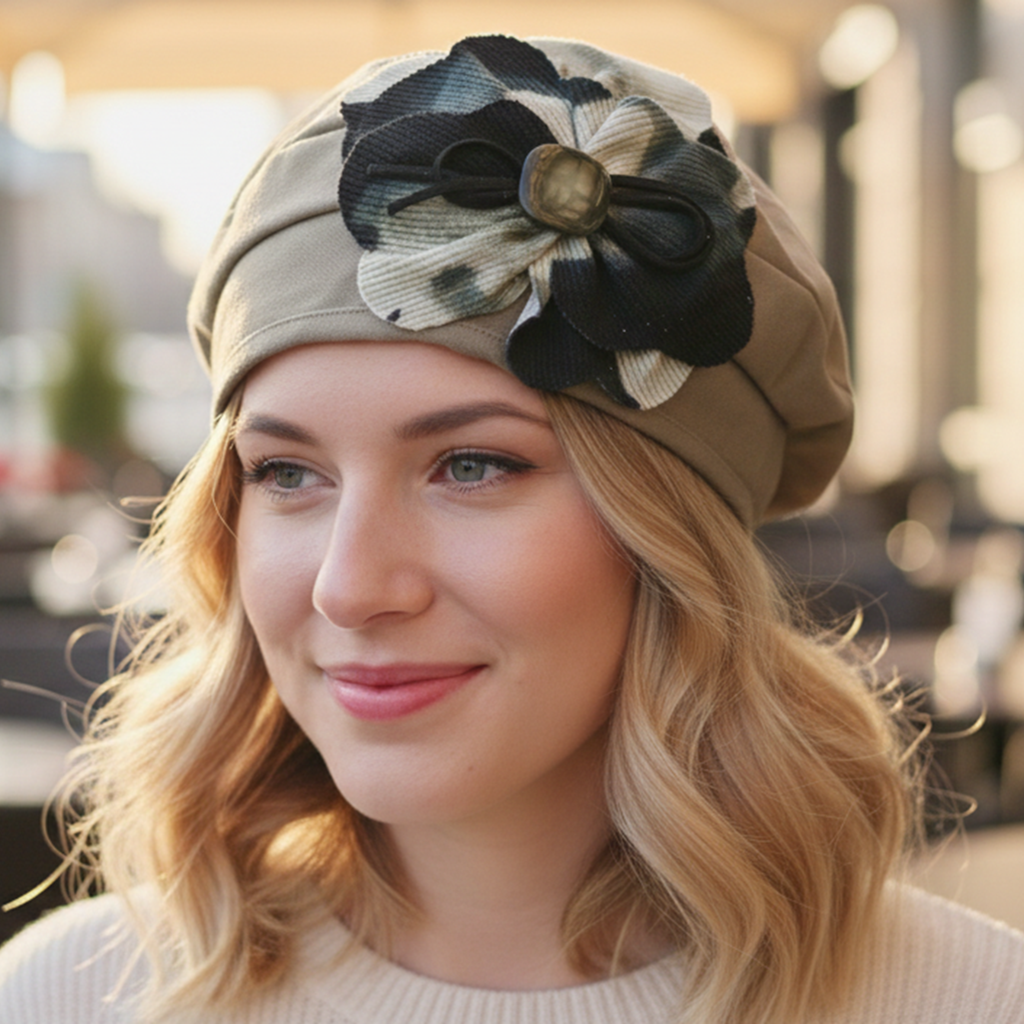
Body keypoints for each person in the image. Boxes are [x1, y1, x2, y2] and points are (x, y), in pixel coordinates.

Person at [2, 33, 1023, 1024]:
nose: (348, 587)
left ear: (670, 533)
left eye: (473, 465)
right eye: (286, 473)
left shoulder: (972, 1000)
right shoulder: (65, 997)